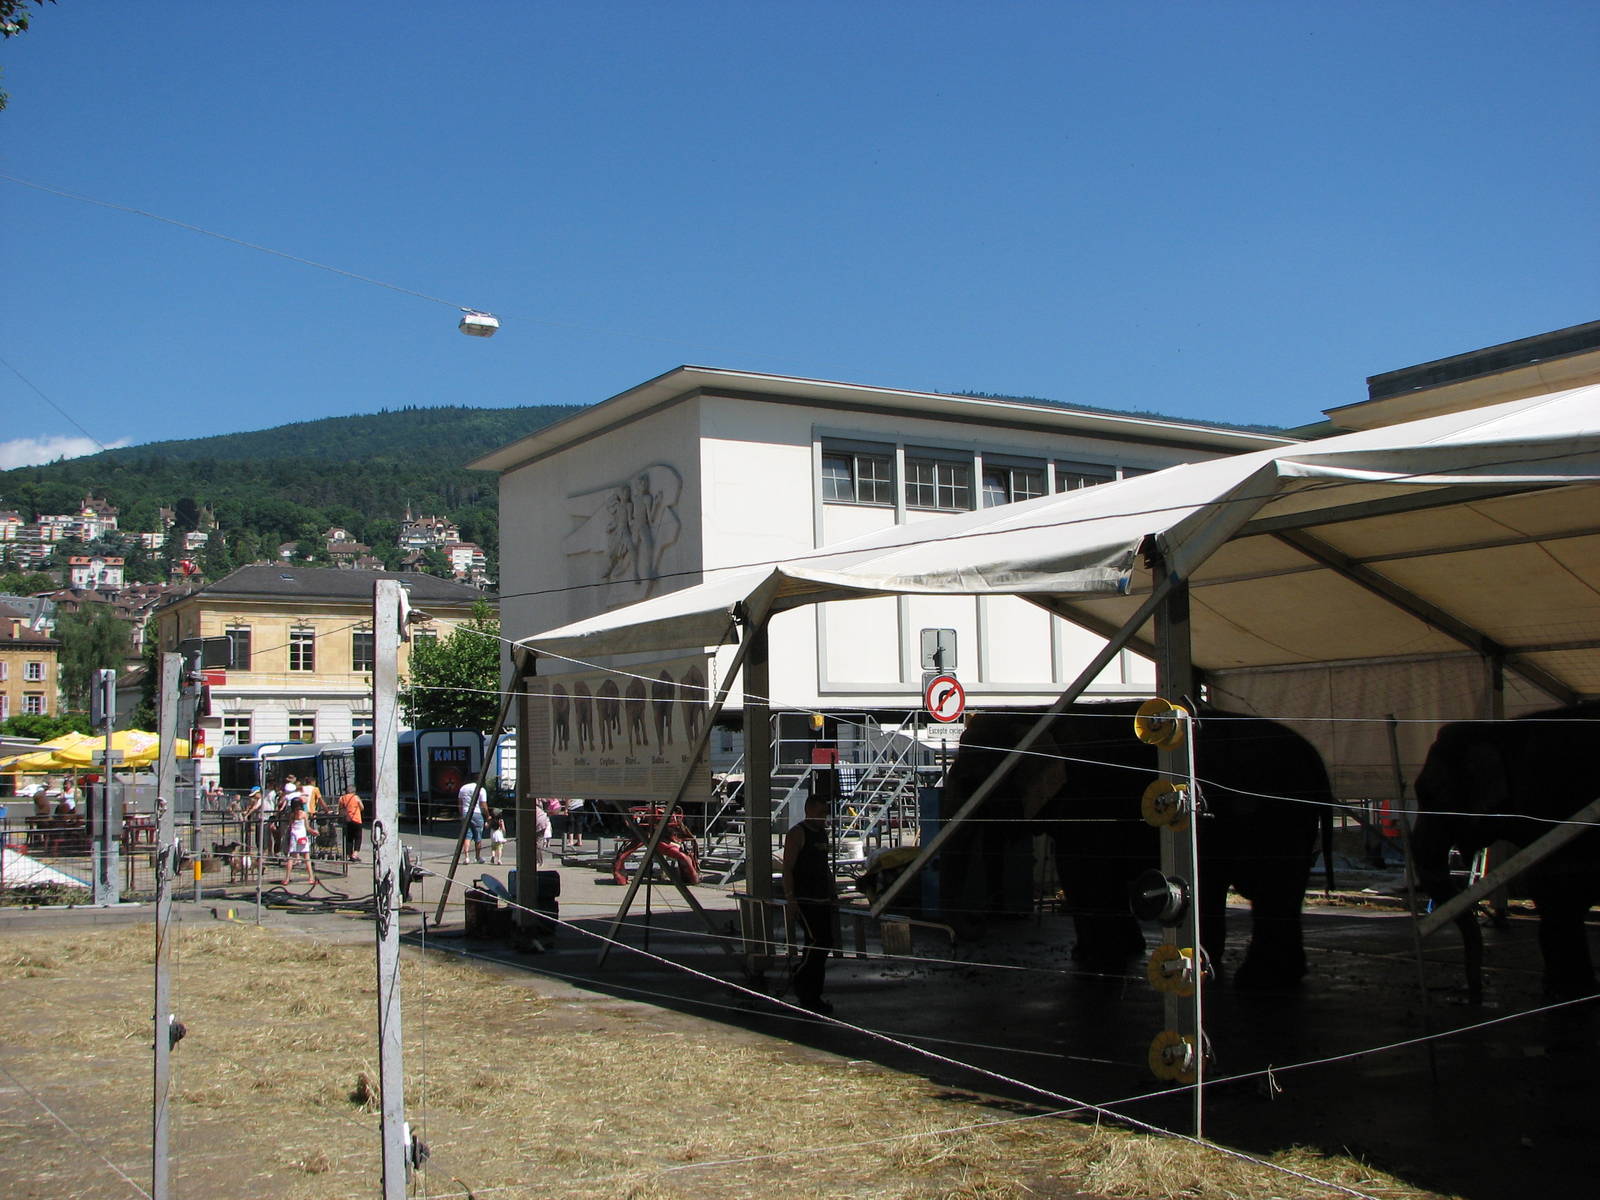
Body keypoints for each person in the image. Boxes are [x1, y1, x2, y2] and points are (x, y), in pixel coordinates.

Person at [782, 794, 838, 1015]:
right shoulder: (798, 833)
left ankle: (814, 993)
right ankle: (801, 979)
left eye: (826, 813)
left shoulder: (822, 833)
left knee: (825, 944)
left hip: (823, 897)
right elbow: (787, 867)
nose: (824, 817)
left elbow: (825, 866)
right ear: (810, 811)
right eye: (821, 812)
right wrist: (790, 898)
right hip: (806, 899)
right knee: (817, 941)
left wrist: (832, 891)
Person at [280, 796, 317, 887]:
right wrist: (314, 832)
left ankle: (287, 878)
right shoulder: (304, 814)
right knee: (306, 858)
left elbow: (290, 825)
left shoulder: (292, 815)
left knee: (291, 858)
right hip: (302, 836)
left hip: (294, 836)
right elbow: (307, 828)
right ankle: (311, 878)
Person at [458, 779, 488, 863]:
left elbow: (460, 803)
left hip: (465, 813)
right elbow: (483, 805)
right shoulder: (481, 789)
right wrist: (488, 816)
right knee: (478, 836)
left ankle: (466, 857)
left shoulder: (463, 788)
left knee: (467, 836)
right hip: (477, 813)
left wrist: (461, 815)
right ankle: (477, 857)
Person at [338, 786, 365, 862]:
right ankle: (355, 854)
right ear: (354, 791)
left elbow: (340, 810)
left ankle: (349, 855)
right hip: (356, 820)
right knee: (358, 837)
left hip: (347, 820)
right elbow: (362, 807)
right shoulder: (356, 798)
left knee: (349, 838)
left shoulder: (342, 798)